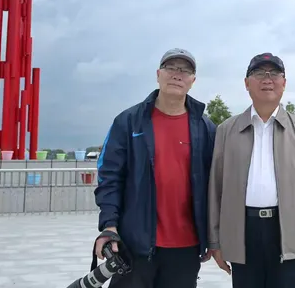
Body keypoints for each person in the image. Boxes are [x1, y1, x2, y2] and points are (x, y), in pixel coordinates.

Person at [93, 48, 217, 288]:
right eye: (171, 68)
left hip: (186, 248)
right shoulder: (128, 121)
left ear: (193, 80)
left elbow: (216, 185)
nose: (177, 74)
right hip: (134, 245)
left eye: (185, 70)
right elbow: (110, 177)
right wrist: (109, 226)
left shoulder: (206, 128)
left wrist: (214, 237)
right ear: (158, 74)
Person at [208, 53, 295, 288]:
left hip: (287, 232)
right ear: (246, 83)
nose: (267, 79)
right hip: (243, 232)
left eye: (274, 74)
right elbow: (216, 188)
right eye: (259, 73)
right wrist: (215, 241)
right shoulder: (227, 130)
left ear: (284, 83)